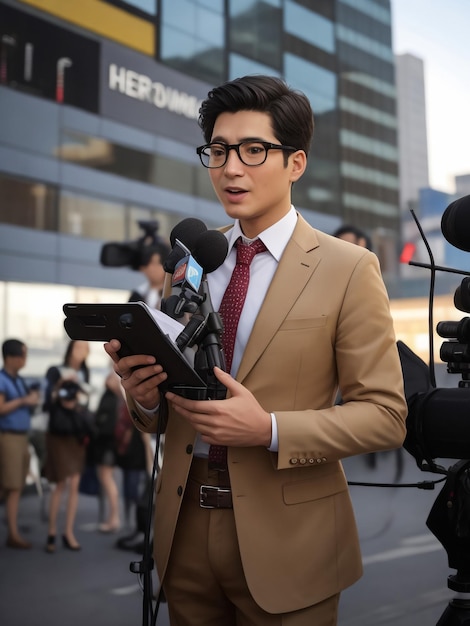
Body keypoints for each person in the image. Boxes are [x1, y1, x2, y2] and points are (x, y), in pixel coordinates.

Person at [104, 75, 407, 625]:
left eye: (253, 150)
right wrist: (143, 395)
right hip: (184, 527)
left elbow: (385, 418)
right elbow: (164, 415)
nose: (230, 168)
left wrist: (266, 428)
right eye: (218, 151)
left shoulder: (349, 267)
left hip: (291, 538)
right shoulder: (192, 260)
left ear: (296, 163)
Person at [43, 340, 91, 553]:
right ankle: (52, 532)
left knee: (74, 484)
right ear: (71, 348)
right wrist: (60, 387)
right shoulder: (55, 371)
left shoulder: (85, 374)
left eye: (86, 348)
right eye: (79, 346)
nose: (83, 351)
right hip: (59, 434)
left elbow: (85, 403)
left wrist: (79, 395)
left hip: (77, 434)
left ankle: (68, 532)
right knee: (61, 483)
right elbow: (46, 402)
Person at [0, 339, 40, 549]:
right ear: (11, 357)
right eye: (23, 356)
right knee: (13, 487)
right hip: (9, 437)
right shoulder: (3, 379)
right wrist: (24, 401)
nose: (25, 360)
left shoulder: (16, 379)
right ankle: (13, 534)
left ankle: (12, 530)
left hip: (20, 437)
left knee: (13, 486)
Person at [91, 369, 122, 533]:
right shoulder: (112, 397)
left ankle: (114, 517)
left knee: (107, 478)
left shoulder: (113, 398)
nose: (107, 379)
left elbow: (107, 424)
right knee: (106, 479)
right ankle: (113, 517)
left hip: (108, 444)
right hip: (108, 444)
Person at [128, 240, 171, 310]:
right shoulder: (137, 295)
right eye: (148, 264)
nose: (150, 268)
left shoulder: (173, 294)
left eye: (154, 264)